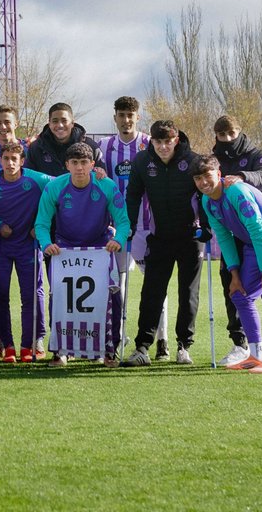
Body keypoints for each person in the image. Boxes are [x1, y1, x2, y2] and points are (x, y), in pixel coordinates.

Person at [192, 155, 262, 374]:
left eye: (207, 175)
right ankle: (255, 354)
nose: (203, 182)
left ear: (218, 173)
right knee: (239, 294)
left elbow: (258, 230)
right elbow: (223, 237)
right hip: (255, 244)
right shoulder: (207, 202)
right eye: (198, 178)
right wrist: (234, 274)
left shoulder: (236, 191)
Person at [34, 142, 129, 367]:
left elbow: (123, 221)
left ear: (92, 164)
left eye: (84, 162)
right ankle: (60, 351)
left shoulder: (106, 185)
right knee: (60, 298)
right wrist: (46, 243)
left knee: (110, 297)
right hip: (64, 250)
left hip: (100, 249)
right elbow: (41, 223)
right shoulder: (55, 187)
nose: (79, 168)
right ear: (67, 165)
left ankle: (109, 350)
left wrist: (118, 240)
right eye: (74, 163)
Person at [120, 120, 201, 367]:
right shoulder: (143, 161)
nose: (163, 147)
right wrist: (130, 225)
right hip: (161, 236)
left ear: (176, 140)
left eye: (168, 142)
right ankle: (142, 348)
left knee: (187, 293)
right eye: (158, 142)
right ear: (150, 141)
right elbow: (133, 194)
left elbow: (204, 193)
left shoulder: (193, 161)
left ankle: (183, 346)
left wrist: (206, 228)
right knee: (152, 292)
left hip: (190, 237)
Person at [98, 96, 168, 358]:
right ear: (114, 117)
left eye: (131, 115)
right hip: (118, 228)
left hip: (148, 228)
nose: (126, 120)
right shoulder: (104, 146)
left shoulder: (149, 144)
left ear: (138, 117)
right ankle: (118, 337)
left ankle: (162, 340)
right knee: (118, 284)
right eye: (122, 115)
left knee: (155, 284)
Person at [210, 114, 262, 367]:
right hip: (232, 232)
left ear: (240, 132)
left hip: (260, 232)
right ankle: (241, 343)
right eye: (221, 135)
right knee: (232, 283)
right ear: (215, 135)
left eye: (231, 134)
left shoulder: (257, 154)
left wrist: (242, 176)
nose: (227, 139)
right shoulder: (214, 159)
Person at [0, 142, 50, 363]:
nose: (10, 163)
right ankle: (7, 344)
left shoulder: (36, 179)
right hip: (0, 247)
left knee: (29, 296)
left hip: (28, 247)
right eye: (6, 158)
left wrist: (39, 226)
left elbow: (61, 186)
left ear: (22, 161)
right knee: (0, 295)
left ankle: (28, 345)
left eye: (15, 159)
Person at [25, 102, 103, 177]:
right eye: (55, 121)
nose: (60, 125)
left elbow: (101, 178)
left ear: (72, 123)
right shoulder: (36, 148)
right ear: (49, 124)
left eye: (64, 121)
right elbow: (29, 180)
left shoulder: (90, 146)